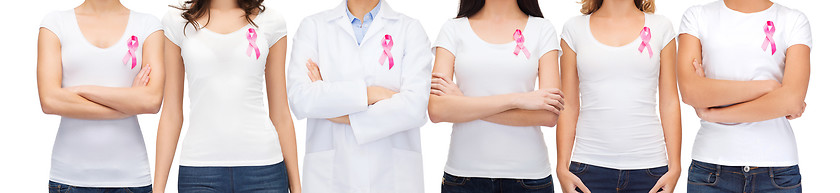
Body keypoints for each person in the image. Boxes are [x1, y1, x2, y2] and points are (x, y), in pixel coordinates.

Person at [154, 0, 301, 192]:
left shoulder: (272, 21)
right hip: (199, 171)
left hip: (264, 170)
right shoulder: (177, 21)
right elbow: (171, 113)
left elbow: (281, 113)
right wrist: (158, 189)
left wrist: (296, 186)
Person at [286, 0, 432, 192]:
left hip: (392, 177)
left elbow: (415, 108)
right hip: (331, 178)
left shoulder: (410, 29)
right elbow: (301, 99)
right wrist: (371, 94)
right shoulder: (313, 27)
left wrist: (337, 110)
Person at [428, 0, 562, 192]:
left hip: (529, 178)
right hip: (464, 177)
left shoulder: (542, 29)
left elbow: (549, 115)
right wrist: (518, 99)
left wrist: (464, 105)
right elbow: (437, 110)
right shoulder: (453, 29)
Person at [678, 0, 811, 192]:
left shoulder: (793, 20)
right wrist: (768, 87)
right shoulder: (697, 16)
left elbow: (791, 101)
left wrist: (712, 113)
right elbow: (691, 91)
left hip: (777, 171)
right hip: (711, 169)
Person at [36, 0, 164, 192]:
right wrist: (127, 103)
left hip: (131, 178)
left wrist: (82, 90)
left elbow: (151, 101)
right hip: (69, 178)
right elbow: (50, 101)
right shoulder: (55, 24)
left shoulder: (148, 25)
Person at [555, 0, 682, 192]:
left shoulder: (661, 27)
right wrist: (562, 168)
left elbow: (670, 102)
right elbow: (569, 105)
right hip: (588, 167)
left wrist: (675, 168)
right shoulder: (574, 29)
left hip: (650, 170)